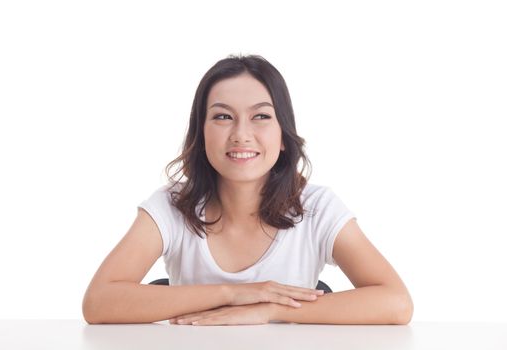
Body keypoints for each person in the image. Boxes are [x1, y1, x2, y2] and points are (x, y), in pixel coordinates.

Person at [82, 54, 413, 326]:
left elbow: (396, 302)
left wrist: (270, 309)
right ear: (201, 134)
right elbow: (98, 302)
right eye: (223, 116)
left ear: (283, 136)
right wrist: (233, 293)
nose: (241, 134)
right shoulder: (171, 205)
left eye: (261, 117)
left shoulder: (317, 207)